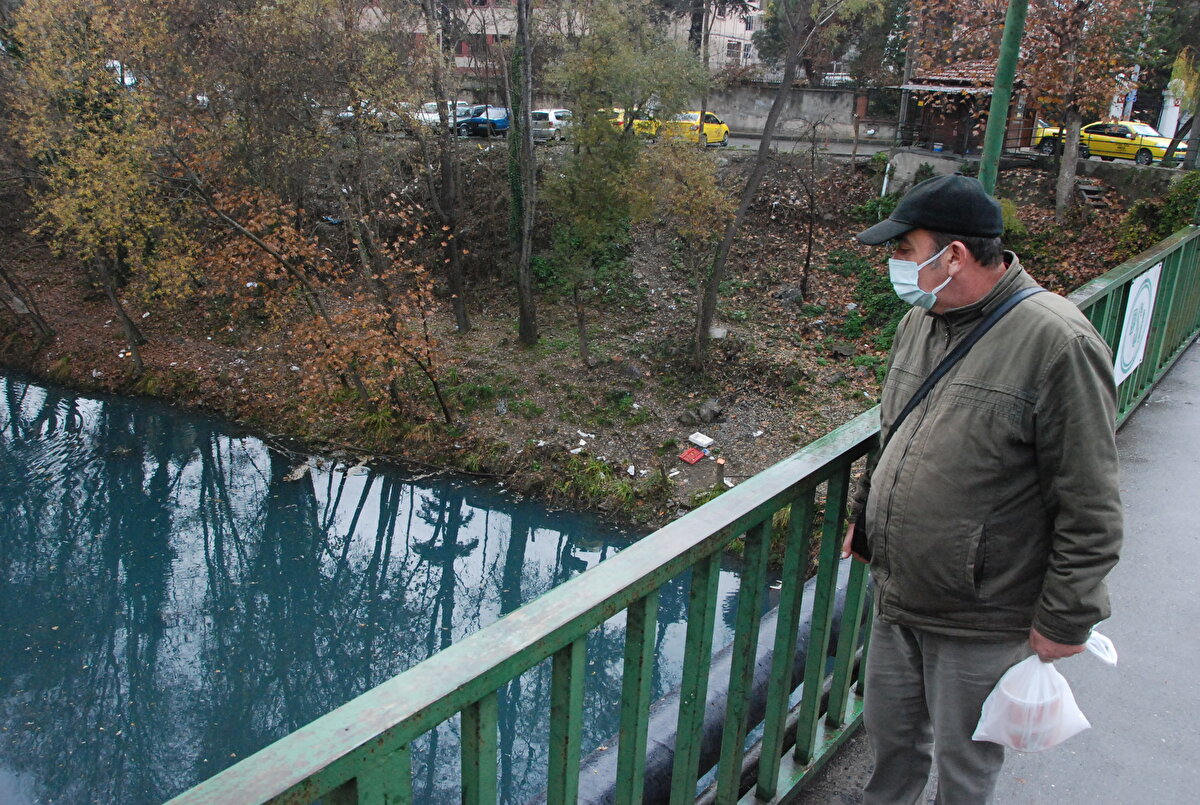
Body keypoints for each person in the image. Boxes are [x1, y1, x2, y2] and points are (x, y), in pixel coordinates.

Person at [843, 173, 1123, 804]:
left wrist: (1066, 618)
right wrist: (866, 518)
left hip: (981, 613)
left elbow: (1092, 500)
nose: (894, 264)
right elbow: (895, 428)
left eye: (904, 250)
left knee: (964, 763)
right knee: (891, 740)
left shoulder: (1058, 342)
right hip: (900, 592)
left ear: (955, 256)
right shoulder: (924, 320)